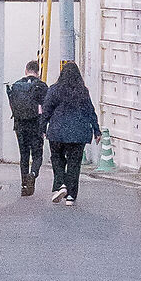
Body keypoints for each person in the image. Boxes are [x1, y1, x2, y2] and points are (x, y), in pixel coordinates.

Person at [40, 60, 100, 205]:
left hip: (57, 132)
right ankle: (71, 197)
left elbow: (46, 110)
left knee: (57, 159)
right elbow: (90, 111)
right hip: (78, 133)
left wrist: (42, 128)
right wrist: (96, 130)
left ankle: (61, 184)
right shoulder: (82, 91)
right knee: (74, 164)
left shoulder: (54, 89)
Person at [6, 58, 48, 197]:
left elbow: (12, 105)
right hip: (36, 125)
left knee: (24, 155)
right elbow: (46, 108)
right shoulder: (41, 86)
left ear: (26, 70)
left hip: (20, 125)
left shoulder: (17, 85)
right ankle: (33, 174)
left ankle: (24, 186)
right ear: (38, 72)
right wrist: (44, 128)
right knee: (37, 155)